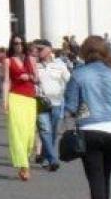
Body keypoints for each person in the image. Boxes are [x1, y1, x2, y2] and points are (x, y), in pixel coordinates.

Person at [65, 35, 111, 199]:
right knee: (105, 177)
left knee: (96, 179)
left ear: (84, 52)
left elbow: (70, 107)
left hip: (89, 128)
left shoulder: (78, 74)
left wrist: (68, 128)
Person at [2, 35, 38, 181]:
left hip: (30, 98)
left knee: (30, 134)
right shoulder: (7, 61)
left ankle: (26, 158)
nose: (18, 46)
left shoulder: (31, 59)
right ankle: (24, 166)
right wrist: (4, 101)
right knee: (18, 132)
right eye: (15, 43)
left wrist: (28, 77)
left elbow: (37, 79)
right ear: (12, 45)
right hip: (15, 97)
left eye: (21, 43)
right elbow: (6, 81)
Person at [35, 41, 69, 172]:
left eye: (40, 49)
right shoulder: (34, 65)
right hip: (40, 103)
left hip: (57, 103)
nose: (38, 51)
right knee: (45, 130)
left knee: (53, 132)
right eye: (36, 49)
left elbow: (69, 80)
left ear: (49, 49)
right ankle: (53, 159)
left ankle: (45, 155)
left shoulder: (60, 65)